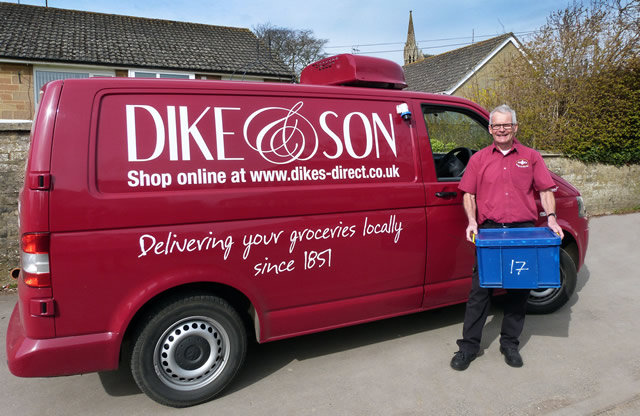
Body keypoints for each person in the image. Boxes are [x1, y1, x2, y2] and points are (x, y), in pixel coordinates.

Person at [450, 104, 564, 371]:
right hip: (489, 232)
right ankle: (468, 347)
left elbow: (546, 189)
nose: (502, 129)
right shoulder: (479, 159)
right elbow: (469, 194)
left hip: (523, 230)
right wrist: (471, 221)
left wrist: (551, 217)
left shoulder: (531, 156)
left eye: (507, 125)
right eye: (497, 125)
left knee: (518, 290)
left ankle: (509, 344)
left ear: (515, 127)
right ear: (490, 129)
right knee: (480, 291)